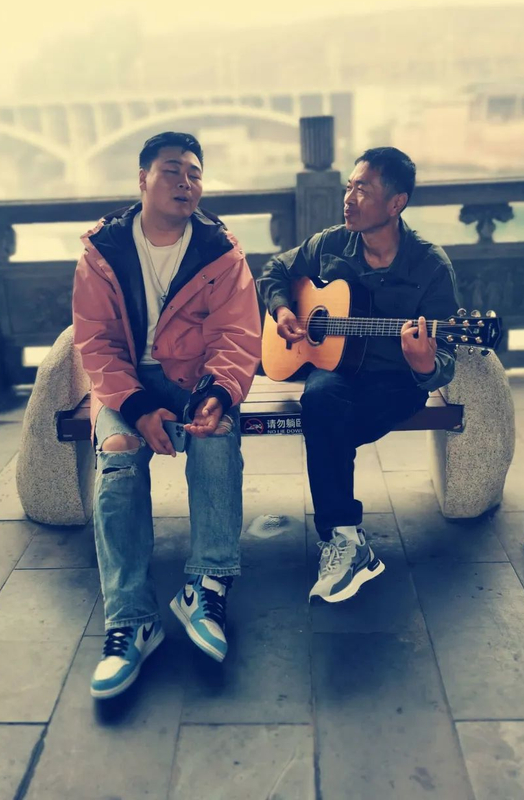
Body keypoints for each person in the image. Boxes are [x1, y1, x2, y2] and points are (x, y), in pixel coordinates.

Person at [73, 131, 261, 699]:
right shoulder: (104, 251)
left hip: (193, 379)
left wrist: (218, 392)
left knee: (215, 431)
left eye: (195, 173)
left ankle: (207, 585)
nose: (186, 182)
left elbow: (236, 336)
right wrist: (135, 408)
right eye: (172, 170)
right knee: (118, 453)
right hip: (126, 383)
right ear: (143, 179)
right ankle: (131, 619)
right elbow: (96, 342)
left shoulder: (220, 251)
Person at [257, 146, 459, 604]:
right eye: (349, 187)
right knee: (321, 400)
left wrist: (425, 363)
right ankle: (345, 536)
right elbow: (274, 270)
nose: (348, 198)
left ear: (396, 203)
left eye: (362, 189)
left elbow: (445, 357)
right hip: (336, 375)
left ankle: (344, 539)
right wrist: (283, 309)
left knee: (327, 423)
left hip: (396, 382)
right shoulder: (331, 243)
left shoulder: (430, 266)